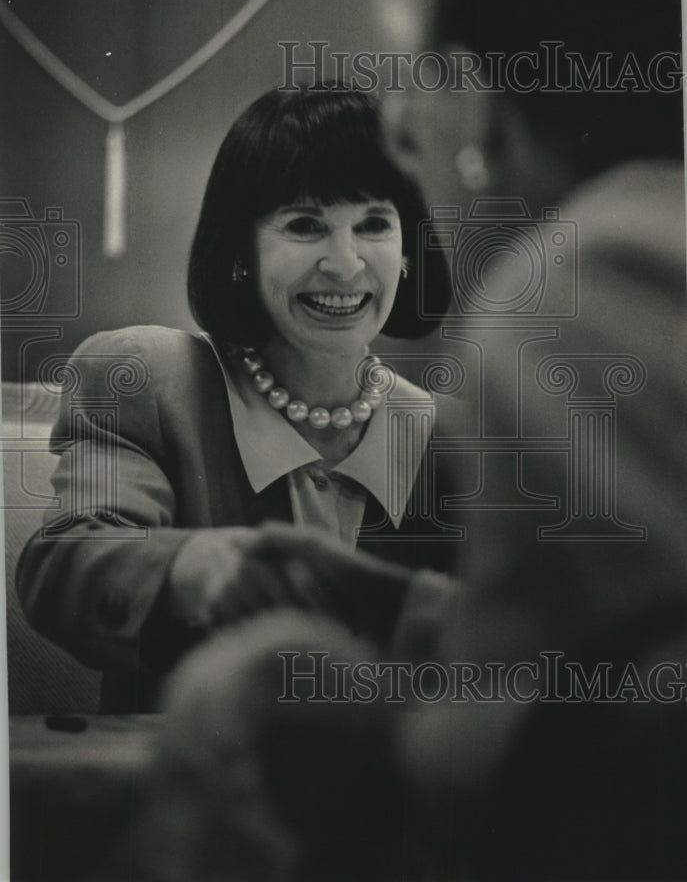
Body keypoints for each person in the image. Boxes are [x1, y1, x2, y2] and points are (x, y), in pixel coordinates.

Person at [136, 0, 687, 880]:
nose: (401, 127)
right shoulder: (151, 381)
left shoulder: (576, 285)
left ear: (474, 100)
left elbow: (620, 750)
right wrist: (418, 616)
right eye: (303, 224)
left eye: (418, 77)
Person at [16, 84, 458, 714]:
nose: (345, 264)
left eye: (374, 224)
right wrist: (192, 567)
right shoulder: (145, 378)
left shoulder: (454, 438)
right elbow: (64, 564)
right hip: (194, 788)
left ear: (408, 250)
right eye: (306, 225)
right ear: (241, 253)